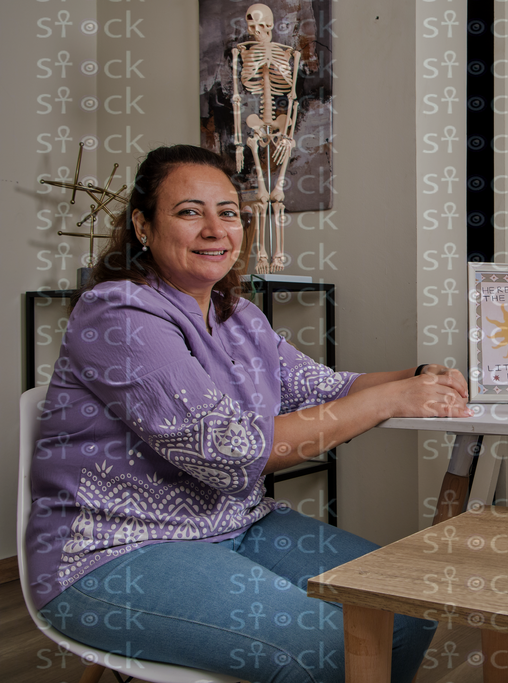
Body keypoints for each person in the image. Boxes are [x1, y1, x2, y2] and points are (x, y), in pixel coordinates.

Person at [25, 144, 472, 683]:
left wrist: (420, 375)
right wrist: (392, 399)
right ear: (142, 226)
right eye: (190, 212)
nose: (215, 229)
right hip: (116, 550)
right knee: (326, 650)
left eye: (229, 212)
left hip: (236, 525)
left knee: (403, 607)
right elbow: (232, 455)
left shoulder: (239, 317)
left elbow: (327, 388)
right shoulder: (119, 313)